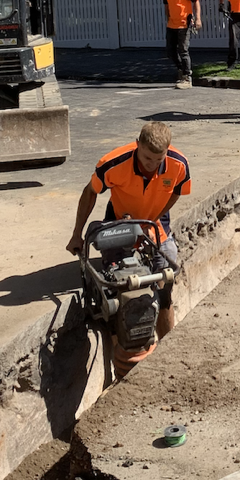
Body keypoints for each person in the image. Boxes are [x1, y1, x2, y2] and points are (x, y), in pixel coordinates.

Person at [66, 121, 190, 342]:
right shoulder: (113, 163)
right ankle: (119, 343)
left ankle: (166, 344)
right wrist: (77, 234)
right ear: (137, 146)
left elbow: (177, 191)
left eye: (158, 160)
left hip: (154, 223)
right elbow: (90, 192)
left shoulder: (178, 164)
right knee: (119, 287)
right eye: (146, 158)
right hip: (119, 223)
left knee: (165, 280)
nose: (151, 165)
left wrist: (154, 218)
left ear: (167, 151)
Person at [162, 0, 201, 88]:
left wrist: (198, 19)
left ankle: (187, 77)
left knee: (183, 50)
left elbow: (196, 1)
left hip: (184, 24)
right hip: (171, 24)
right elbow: (167, 5)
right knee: (170, 51)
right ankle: (181, 69)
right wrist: (167, 18)